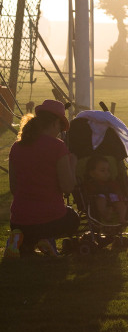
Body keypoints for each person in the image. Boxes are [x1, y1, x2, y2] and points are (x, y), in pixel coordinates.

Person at [5, 100, 79, 257]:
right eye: (60, 127)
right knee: (73, 219)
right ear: (54, 123)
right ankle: (45, 239)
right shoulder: (57, 147)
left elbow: (14, 188)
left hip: (18, 221)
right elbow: (67, 187)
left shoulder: (17, 147)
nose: (60, 132)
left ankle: (21, 240)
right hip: (50, 220)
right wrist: (72, 164)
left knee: (28, 230)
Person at [84, 155, 127, 225]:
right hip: (100, 198)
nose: (107, 173)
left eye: (108, 170)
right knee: (100, 199)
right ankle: (105, 213)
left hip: (112, 198)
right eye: (102, 171)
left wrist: (119, 194)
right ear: (92, 174)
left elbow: (117, 190)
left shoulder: (111, 182)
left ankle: (122, 217)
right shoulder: (91, 183)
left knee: (121, 204)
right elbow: (89, 192)